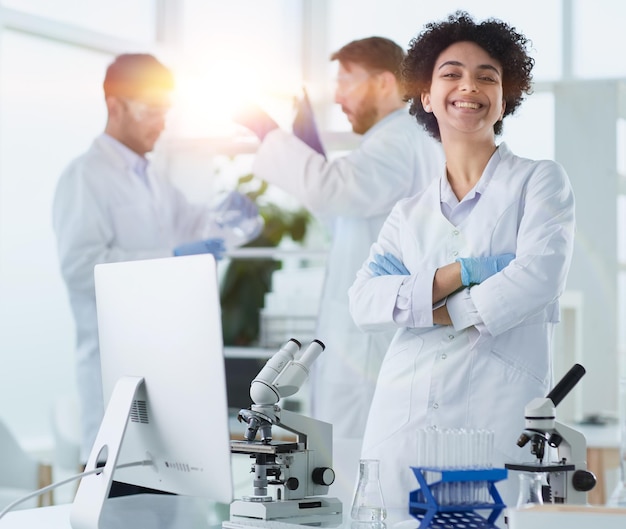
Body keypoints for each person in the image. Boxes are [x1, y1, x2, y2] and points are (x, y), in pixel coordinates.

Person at [348, 11, 575, 510]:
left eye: (486, 76)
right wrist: (462, 274)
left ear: (504, 97)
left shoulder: (539, 181)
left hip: (492, 416)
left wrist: (427, 305)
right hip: (401, 418)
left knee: (491, 517)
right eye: (450, 73)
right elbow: (364, 301)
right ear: (426, 96)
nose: (467, 86)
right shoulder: (408, 213)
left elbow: (537, 277)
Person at [52, 53, 261, 466]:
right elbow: (80, 269)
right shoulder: (85, 176)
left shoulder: (153, 180)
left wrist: (232, 219)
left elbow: (197, 228)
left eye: (166, 110)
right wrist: (170, 257)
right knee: (121, 505)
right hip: (114, 380)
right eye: (151, 110)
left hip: (165, 374)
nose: (161, 122)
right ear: (115, 106)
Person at [235, 37, 444, 443]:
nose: (338, 95)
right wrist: (305, 149)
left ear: (384, 83)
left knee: (355, 455)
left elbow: (335, 190)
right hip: (371, 334)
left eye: (347, 81)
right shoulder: (396, 141)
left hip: (371, 344)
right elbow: (342, 211)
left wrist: (268, 132)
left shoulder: (398, 141)